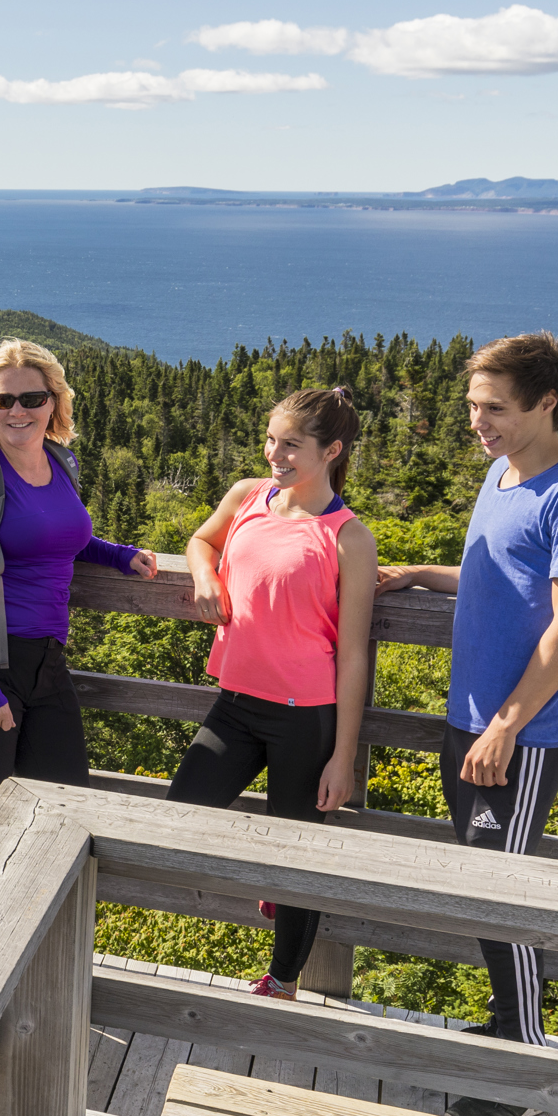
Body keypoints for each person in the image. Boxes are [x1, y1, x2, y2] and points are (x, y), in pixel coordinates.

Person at [376, 332, 558, 1116]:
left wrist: (508, 725)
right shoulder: (503, 472)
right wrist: (423, 574)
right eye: (474, 406)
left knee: (499, 891)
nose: (478, 422)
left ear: (546, 402)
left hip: (522, 733)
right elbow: (504, 577)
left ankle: (525, 1069)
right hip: (473, 720)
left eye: (495, 408)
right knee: (482, 888)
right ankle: (509, 1028)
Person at [166, 387, 379, 1001]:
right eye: (270, 439)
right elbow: (201, 541)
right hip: (236, 703)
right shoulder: (247, 496)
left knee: (300, 859)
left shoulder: (348, 538)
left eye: (291, 444)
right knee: (180, 815)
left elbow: (353, 654)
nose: (274, 454)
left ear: (331, 451)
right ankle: (269, 874)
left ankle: (283, 981)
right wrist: (205, 575)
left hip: (306, 719)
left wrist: (343, 757)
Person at [0, 340, 156, 853]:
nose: (17, 411)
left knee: (61, 818)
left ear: (54, 403)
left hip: (45, 663)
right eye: (3, 400)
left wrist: (118, 555)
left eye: (32, 399)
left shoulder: (59, 463)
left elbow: (55, 533)